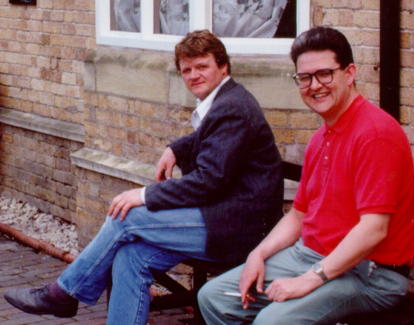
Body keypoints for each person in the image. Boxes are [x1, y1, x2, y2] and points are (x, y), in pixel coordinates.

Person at [4, 30, 283, 325]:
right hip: (221, 215)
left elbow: (207, 182)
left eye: (202, 66)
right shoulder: (225, 101)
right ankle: (65, 296)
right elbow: (210, 140)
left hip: (240, 229)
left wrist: (144, 194)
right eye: (186, 70)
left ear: (223, 66)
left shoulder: (233, 109)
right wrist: (175, 148)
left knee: (127, 216)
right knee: (131, 257)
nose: (193, 75)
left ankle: (63, 294)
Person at [198, 26, 414, 324]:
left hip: (371, 272)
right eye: (305, 78)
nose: (315, 85)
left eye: (325, 74)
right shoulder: (321, 137)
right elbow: (298, 215)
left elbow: (373, 230)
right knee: (213, 298)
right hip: (311, 255)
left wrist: (308, 280)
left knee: (272, 322)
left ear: (350, 73)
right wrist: (258, 255)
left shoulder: (375, 134)